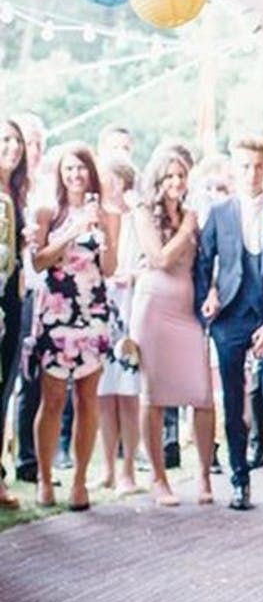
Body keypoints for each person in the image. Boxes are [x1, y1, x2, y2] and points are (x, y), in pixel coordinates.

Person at [196, 137, 263, 513]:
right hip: (230, 320)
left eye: (257, 166)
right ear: (233, 170)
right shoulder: (219, 212)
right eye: (244, 166)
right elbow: (204, 261)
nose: (251, 173)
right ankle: (239, 481)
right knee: (234, 403)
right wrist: (207, 293)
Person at [30, 144, 120, 510]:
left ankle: (80, 481)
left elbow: (110, 268)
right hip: (56, 312)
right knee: (52, 399)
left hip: (92, 311)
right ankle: (43, 476)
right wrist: (72, 230)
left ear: (91, 172)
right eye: (69, 169)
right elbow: (38, 262)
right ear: (60, 173)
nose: (76, 175)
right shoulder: (47, 211)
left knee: (87, 400)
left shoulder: (108, 213)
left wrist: (103, 232)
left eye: (82, 168)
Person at [132, 148, 216, 507]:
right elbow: (160, 258)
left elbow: (204, 263)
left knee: (202, 395)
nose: (176, 182)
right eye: (168, 176)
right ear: (157, 180)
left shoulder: (189, 214)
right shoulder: (144, 213)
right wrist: (186, 228)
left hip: (187, 311)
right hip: (153, 306)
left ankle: (204, 475)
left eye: (181, 176)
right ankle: (158, 477)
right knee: (153, 396)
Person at [95, 157, 142, 497]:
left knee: (128, 392)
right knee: (102, 394)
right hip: (98, 308)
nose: (109, 186)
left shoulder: (137, 219)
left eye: (113, 180)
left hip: (131, 308)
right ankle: (107, 468)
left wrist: (134, 275)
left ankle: (128, 471)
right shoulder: (93, 216)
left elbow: (150, 260)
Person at [11, 113, 46, 485]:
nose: (30, 151)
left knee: (33, 377)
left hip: (41, 292)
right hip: (17, 290)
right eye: (26, 143)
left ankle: (30, 457)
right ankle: (20, 459)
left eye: (36, 144)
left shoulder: (43, 188)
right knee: (18, 376)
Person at [0, 118, 28, 507]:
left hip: (12, 298)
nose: (12, 146)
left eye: (16, 140)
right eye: (5, 139)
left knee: (4, 389)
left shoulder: (17, 193)